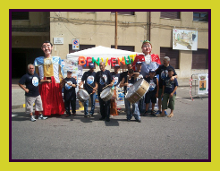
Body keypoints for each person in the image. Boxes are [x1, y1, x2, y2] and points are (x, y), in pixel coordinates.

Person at [34, 41, 65, 116]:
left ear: (52, 47)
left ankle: (56, 111)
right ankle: (45, 112)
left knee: (55, 98)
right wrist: (36, 82)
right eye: (44, 46)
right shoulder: (38, 60)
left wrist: (62, 81)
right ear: (42, 48)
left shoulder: (57, 59)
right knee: (44, 98)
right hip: (43, 81)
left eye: (48, 46)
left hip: (55, 81)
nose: (46, 48)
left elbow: (61, 71)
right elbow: (36, 73)